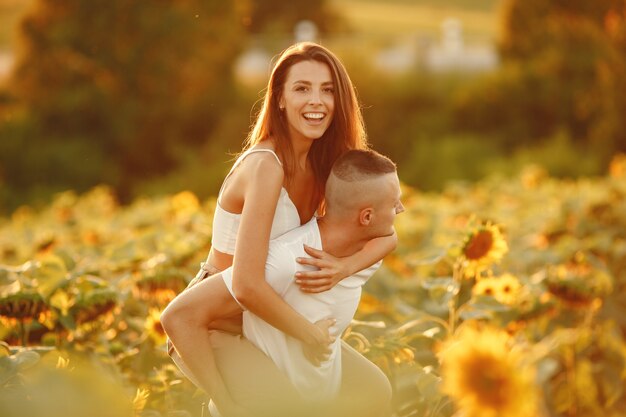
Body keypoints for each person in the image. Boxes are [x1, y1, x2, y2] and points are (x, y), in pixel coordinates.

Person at [164, 42, 396, 415]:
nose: (316, 100)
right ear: (280, 99)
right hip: (216, 324)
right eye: (302, 88)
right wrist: (309, 335)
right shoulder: (266, 167)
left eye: (327, 90)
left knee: (372, 391)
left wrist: (344, 267)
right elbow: (245, 285)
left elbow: (387, 232)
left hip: (271, 323)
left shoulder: (325, 165)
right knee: (281, 408)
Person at [162, 149, 404, 417]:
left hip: (305, 368)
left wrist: (345, 268)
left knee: (375, 391)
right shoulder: (288, 260)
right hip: (224, 332)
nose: (401, 209)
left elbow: (389, 239)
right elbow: (178, 316)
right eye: (395, 204)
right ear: (366, 217)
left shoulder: (367, 249)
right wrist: (225, 401)